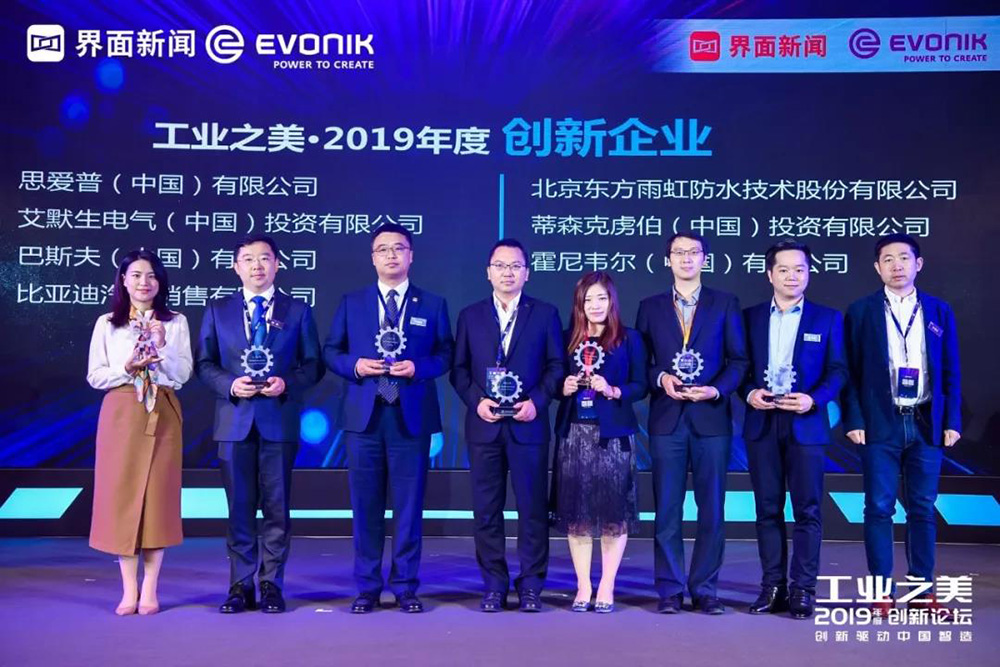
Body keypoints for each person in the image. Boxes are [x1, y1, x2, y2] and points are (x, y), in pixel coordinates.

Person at [323, 223, 453, 614]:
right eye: (383, 249)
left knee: (409, 508)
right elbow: (331, 351)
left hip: (410, 418)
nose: (391, 255)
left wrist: (418, 368)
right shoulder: (353, 302)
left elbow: (446, 355)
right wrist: (355, 365)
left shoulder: (432, 304)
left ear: (411, 255)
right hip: (364, 418)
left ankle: (406, 587)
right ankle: (367, 587)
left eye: (398, 248)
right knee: (366, 507)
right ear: (372, 258)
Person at [195, 234, 324, 614]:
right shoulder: (218, 310)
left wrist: (288, 383)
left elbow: (313, 365)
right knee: (239, 508)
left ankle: (271, 584)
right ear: (236, 267)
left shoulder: (298, 310)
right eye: (248, 259)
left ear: (277, 265)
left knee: (277, 508)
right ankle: (240, 584)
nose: (257, 266)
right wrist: (229, 384)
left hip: (278, 421)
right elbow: (204, 363)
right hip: (234, 421)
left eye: (265, 258)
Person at [843, 233, 961, 618]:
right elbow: (850, 372)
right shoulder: (860, 311)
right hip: (881, 423)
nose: (897, 266)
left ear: (918, 264)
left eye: (904, 258)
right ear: (877, 268)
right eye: (888, 259)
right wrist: (855, 418)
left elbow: (951, 370)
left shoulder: (939, 310)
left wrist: (952, 420)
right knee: (878, 507)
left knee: (923, 508)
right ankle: (881, 591)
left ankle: (922, 592)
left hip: (926, 421)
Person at [636, 232, 749, 615]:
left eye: (693, 252)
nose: (686, 258)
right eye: (678, 252)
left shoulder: (725, 303)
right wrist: (660, 378)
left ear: (705, 259)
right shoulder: (650, 307)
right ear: (667, 259)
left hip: (711, 419)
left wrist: (716, 390)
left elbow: (739, 361)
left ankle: (705, 589)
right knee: (667, 510)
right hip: (667, 419)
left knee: (711, 510)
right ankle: (669, 589)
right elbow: (642, 363)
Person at [450, 238, 565, 612]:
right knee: (486, 510)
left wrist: (537, 402)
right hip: (485, 426)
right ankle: (494, 585)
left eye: (515, 266)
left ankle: (531, 586)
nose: (507, 272)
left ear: (527, 273)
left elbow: (556, 366)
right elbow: (459, 370)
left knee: (532, 510)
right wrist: (476, 401)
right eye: (500, 266)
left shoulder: (545, 314)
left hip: (527, 425)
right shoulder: (470, 316)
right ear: (488, 272)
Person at [741, 241, 847, 619]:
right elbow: (739, 367)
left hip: (806, 424)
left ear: (808, 273)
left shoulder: (827, 318)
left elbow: (839, 371)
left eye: (800, 269)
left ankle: (803, 589)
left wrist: (813, 399)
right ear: (769, 274)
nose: (792, 276)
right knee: (767, 509)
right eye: (784, 269)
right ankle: (772, 587)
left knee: (808, 510)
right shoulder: (749, 318)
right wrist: (749, 392)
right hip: (763, 422)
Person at [87, 250, 193, 615]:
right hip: (121, 410)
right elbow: (95, 375)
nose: (144, 282)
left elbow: (183, 374)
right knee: (122, 498)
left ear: (160, 282)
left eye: (151, 275)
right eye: (135, 275)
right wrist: (127, 367)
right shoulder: (108, 323)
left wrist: (162, 346)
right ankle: (128, 588)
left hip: (162, 409)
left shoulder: (175, 321)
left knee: (158, 498)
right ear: (123, 280)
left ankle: (150, 588)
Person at [551, 271, 647, 613]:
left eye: (601, 298)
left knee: (612, 514)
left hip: (613, 435)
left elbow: (641, 384)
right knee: (577, 516)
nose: (594, 305)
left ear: (612, 302)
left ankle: (606, 584)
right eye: (588, 299)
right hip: (574, 433)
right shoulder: (565, 338)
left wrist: (614, 390)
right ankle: (583, 585)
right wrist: (561, 387)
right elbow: (551, 379)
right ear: (579, 304)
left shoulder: (629, 339)